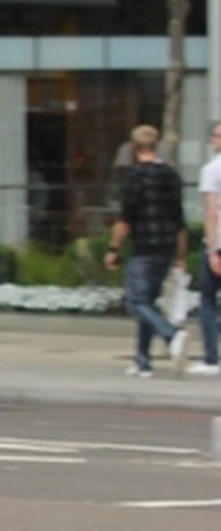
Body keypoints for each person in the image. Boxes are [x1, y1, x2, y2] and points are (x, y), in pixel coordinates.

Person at [103, 123, 188, 377]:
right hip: (165, 246)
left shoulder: (133, 178)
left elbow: (124, 219)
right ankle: (142, 360)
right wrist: (180, 254)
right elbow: (179, 219)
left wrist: (113, 248)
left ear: (133, 147)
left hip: (143, 247)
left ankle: (171, 335)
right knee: (148, 302)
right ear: (156, 145)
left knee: (137, 301)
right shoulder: (171, 176)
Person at [194, 121, 221, 377]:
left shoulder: (212, 170)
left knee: (208, 301)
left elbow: (212, 212)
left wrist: (212, 249)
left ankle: (212, 358)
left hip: (219, 242)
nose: (214, 140)